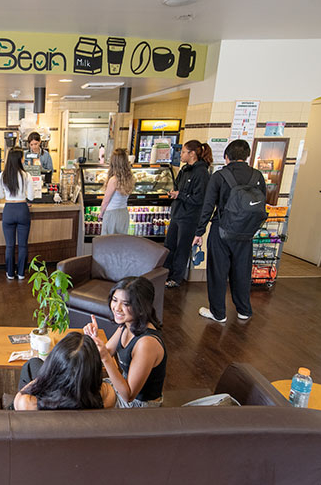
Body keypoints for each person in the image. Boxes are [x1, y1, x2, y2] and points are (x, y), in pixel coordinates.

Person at [192, 139, 267, 323]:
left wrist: (199, 232)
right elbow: (261, 202)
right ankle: (244, 310)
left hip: (221, 230)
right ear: (247, 156)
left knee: (218, 271)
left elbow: (208, 205)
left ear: (227, 156)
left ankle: (218, 313)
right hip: (246, 232)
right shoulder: (257, 176)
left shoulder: (220, 176)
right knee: (242, 270)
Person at [83, 277, 167, 408]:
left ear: (141, 307)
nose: (117, 308)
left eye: (126, 304)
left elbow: (129, 395)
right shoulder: (127, 325)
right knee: (75, 386)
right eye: (115, 300)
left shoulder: (147, 343)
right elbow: (108, 351)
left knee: (79, 400)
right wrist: (94, 338)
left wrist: (105, 357)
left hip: (139, 404)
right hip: (121, 386)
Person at [14, 332, 117, 410]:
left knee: (32, 364)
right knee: (34, 363)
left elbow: (18, 401)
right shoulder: (109, 396)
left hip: (49, 399)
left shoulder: (27, 403)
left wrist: (45, 375)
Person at [164, 140, 212, 288]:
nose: (181, 154)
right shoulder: (184, 170)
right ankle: (165, 274)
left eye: (184, 152)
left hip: (189, 217)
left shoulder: (202, 173)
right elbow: (179, 188)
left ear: (192, 154)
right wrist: (174, 194)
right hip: (178, 214)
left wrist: (180, 195)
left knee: (182, 248)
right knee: (169, 246)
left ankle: (175, 279)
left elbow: (200, 198)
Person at [0, 148, 34, 279]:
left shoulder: (3, 175)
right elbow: (32, 197)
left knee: (10, 245)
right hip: (22, 209)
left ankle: (10, 273)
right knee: (23, 245)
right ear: (20, 159)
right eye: (23, 157)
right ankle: (22, 273)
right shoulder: (26, 175)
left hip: (9, 210)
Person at [100, 148, 135, 235]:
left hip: (112, 214)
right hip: (124, 213)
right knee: (120, 243)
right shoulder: (130, 178)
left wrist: (101, 213)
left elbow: (106, 201)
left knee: (108, 243)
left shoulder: (114, 180)